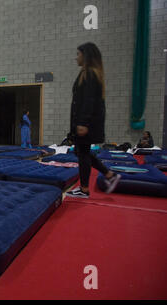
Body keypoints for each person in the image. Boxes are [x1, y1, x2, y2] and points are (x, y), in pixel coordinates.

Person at [66, 42, 121, 198]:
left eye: (78, 54)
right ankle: (109, 174)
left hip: (87, 122)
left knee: (82, 153)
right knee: (80, 151)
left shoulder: (90, 74)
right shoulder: (87, 73)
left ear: (86, 56)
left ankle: (84, 189)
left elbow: (89, 101)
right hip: (84, 121)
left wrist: (83, 122)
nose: (76, 57)